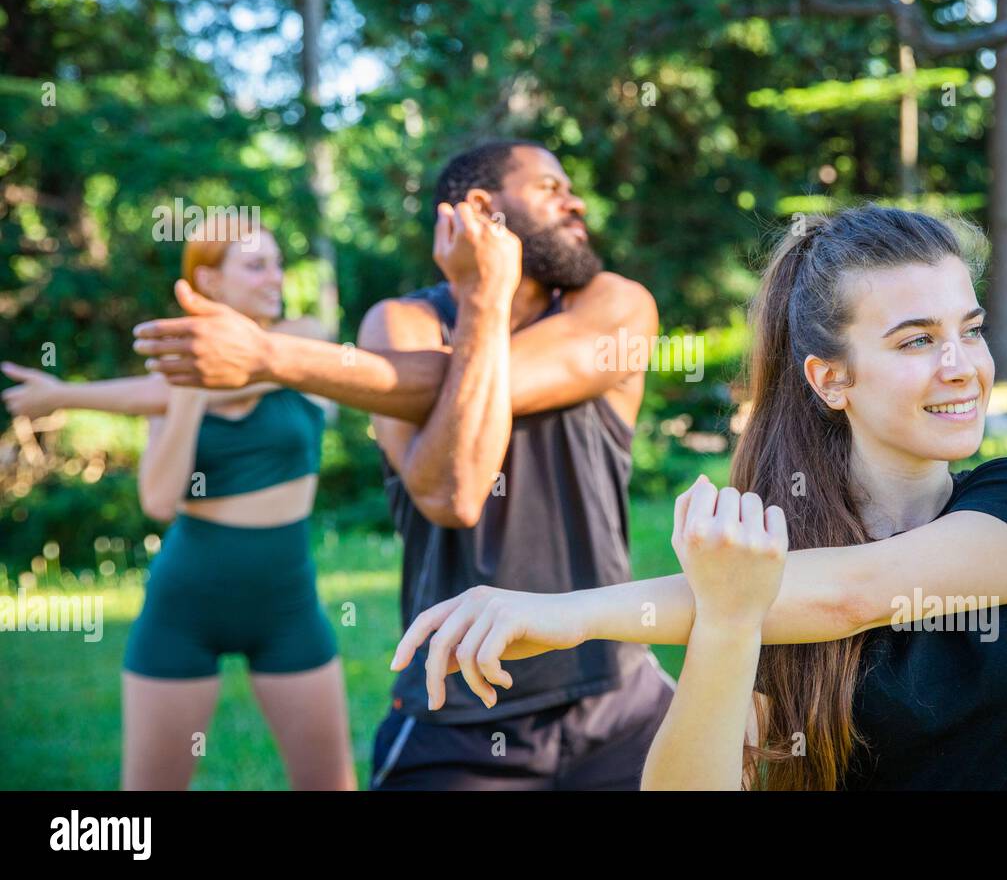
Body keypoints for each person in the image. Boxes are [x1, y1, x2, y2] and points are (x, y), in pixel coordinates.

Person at [389, 203, 1007, 790]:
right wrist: (724, 624)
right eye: (917, 342)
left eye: (970, 330)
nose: (962, 367)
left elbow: (858, 594)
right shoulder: (748, 567)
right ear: (830, 380)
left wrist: (575, 614)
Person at [131, 141, 677, 790]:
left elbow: (494, 379)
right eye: (550, 189)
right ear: (481, 210)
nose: (576, 201)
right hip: (453, 710)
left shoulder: (615, 304)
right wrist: (482, 300)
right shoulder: (400, 321)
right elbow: (455, 493)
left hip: (621, 700)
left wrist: (270, 358)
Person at [6, 215, 356, 790]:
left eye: (276, 262)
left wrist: (73, 394)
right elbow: (159, 501)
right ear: (210, 283)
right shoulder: (176, 376)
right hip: (186, 604)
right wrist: (184, 395)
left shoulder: (304, 339)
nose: (275, 277)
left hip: (288, 604)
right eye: (255, 264)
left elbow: (251, 370)